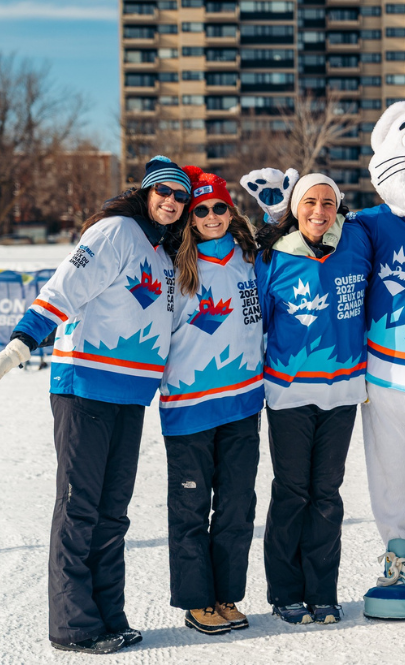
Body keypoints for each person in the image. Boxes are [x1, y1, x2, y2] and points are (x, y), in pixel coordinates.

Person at [0, 155, 191, 654]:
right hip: (86, 388)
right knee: (79, 509)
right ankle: (74, 626)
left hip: (130, 395)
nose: (172, 201)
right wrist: (20, 344)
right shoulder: (115, 232)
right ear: (146, 192)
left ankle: (108, 616)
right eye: (163, 191)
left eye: (181, 196)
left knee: (112, 514)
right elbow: (64, 289)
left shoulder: (163, 253)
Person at [253, 173, 371, 625]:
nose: (319, 211)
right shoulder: (273, 257)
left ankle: (322, 592)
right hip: (290, 392)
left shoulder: (357, 243)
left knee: (326, 493)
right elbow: (257, 323)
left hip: (342, 391)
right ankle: (285, 592)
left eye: (327, 202)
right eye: (309, 202)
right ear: (295, 207)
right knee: (292, 492)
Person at [159, 167, 264, 635]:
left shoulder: (249, 259)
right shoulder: (173, 265)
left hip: (243, 403)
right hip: (189, 407)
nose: (211, 216)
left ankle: (226, 596)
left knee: (237, 507)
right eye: (200, 210)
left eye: (219, 207)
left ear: (231, 210)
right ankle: (196, 601)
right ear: (190, 218)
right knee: (190, 509)